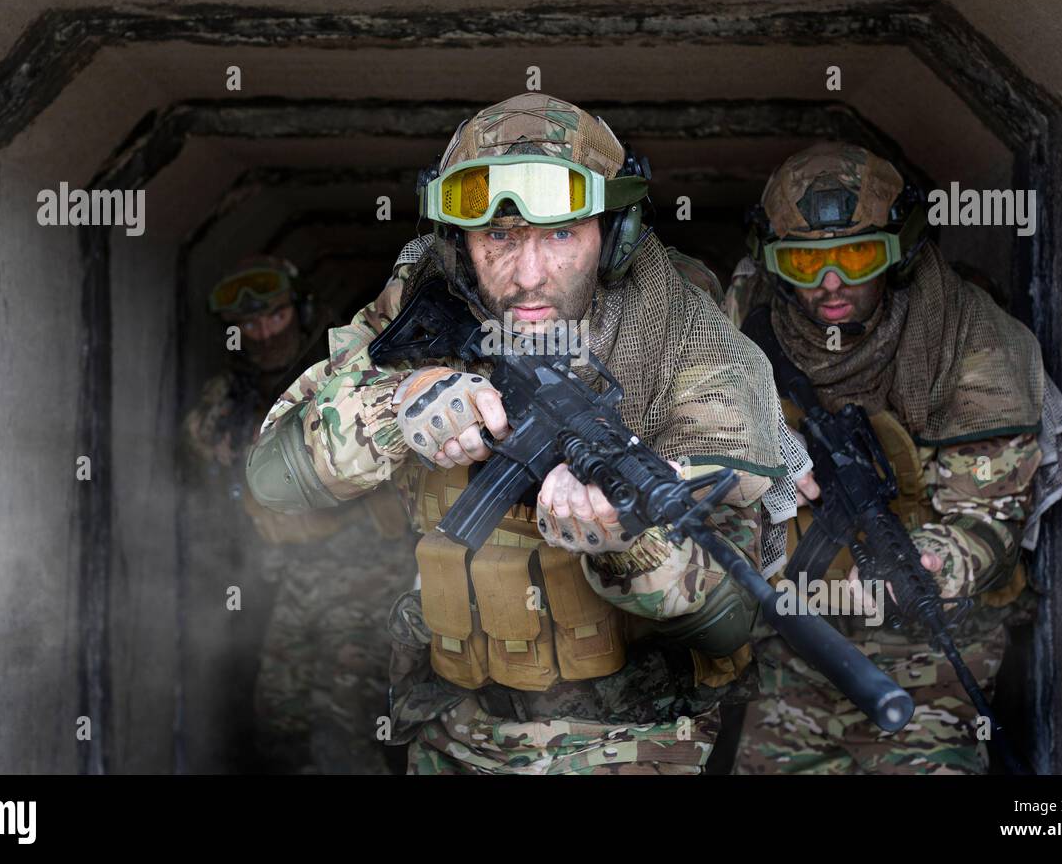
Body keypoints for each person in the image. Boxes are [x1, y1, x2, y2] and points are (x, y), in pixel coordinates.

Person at [246, 92, 786, 774]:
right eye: (498, 236)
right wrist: (397, 404)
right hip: (456, 729)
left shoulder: (684, 334)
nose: (528, 276)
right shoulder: (424, 297)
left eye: (562, 234)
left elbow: (730, 620)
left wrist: (631, 546)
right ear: (459, 242)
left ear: (614, 236)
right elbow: (273, 478)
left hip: (634, 743)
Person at [723, 142, 1062, 774]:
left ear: (899, 250)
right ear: (773, 263)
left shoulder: (968, 344)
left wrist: (935, 564)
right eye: (805, 262)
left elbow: (989, 519)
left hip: (932, 648)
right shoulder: (745, 322)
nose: (831, 284)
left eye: (857, 256)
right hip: (798, 643)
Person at [183, 255, 414, 773]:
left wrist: (336, 512)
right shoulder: (227, 400)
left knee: (345, 722)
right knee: (280, 717)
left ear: (302, 310)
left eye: (275, 316)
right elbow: (205, 468)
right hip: (292, 578)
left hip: (368, 576)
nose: (262, 333)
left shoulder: (345, 376)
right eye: (248, 323)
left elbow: (402, 476)